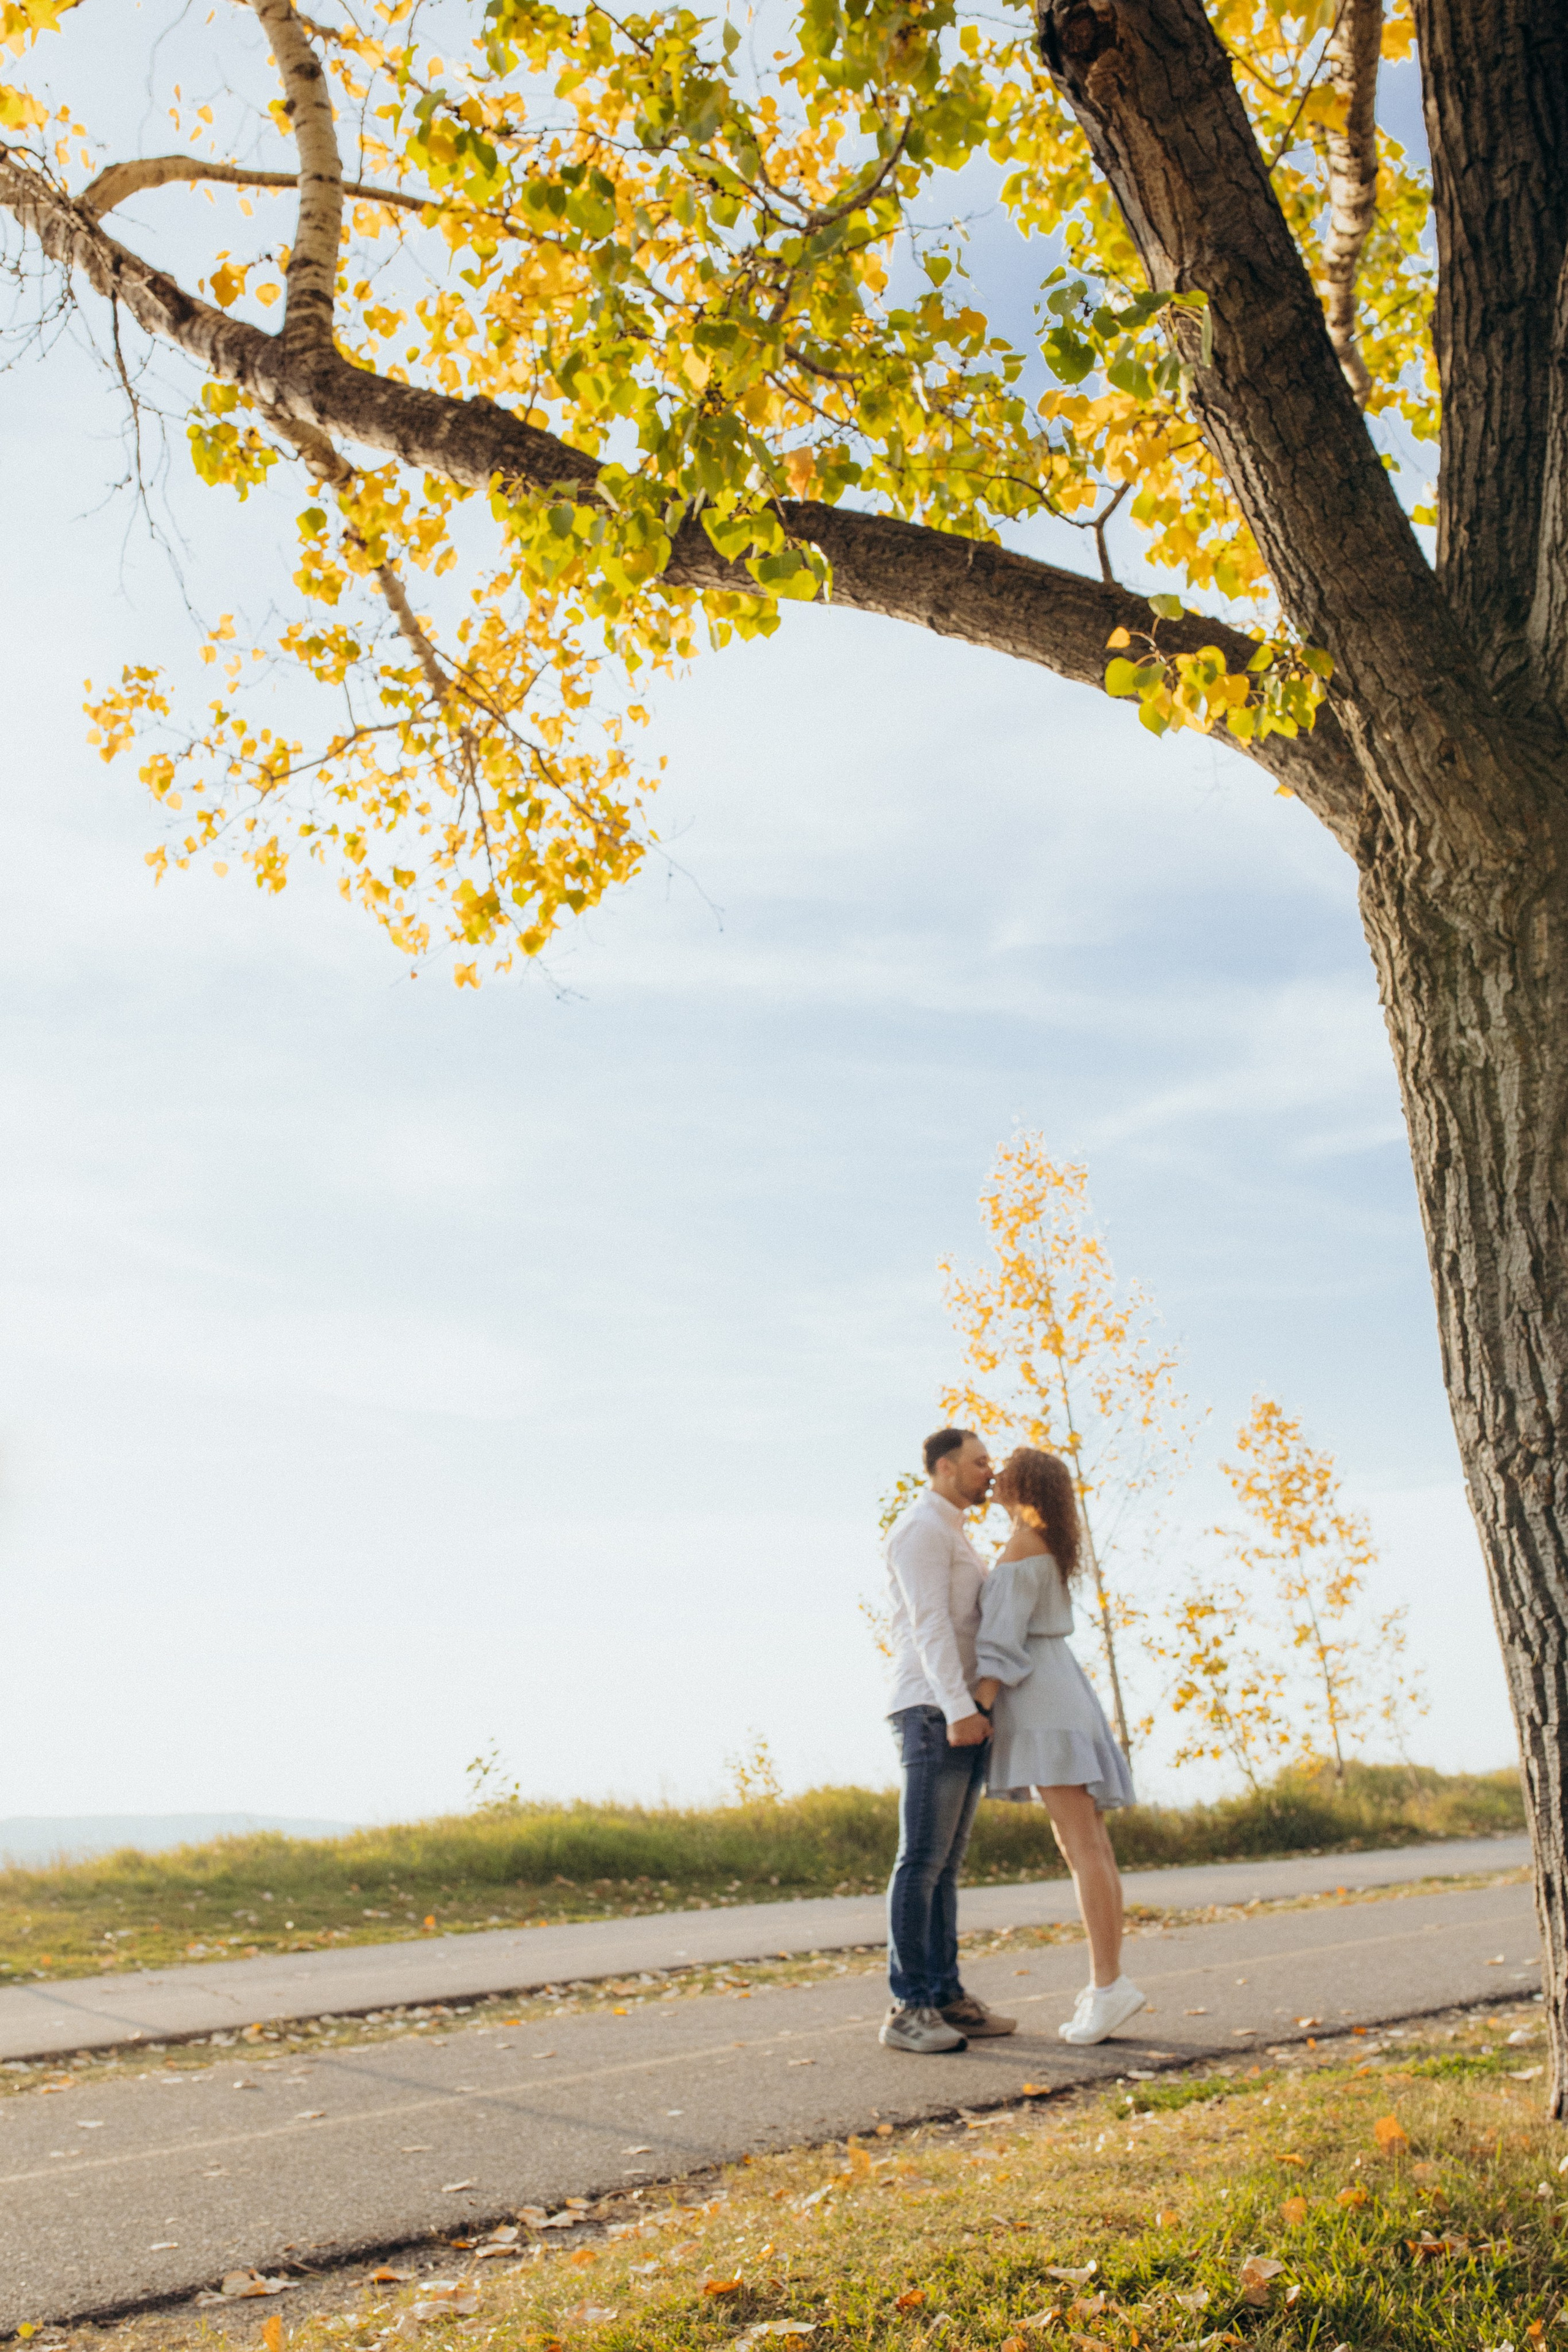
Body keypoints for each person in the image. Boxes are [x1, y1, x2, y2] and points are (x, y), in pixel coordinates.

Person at [973, 1446, 1145, 2047]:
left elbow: (997, 1644)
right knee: (1090, 1844)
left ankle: (1108, 1984)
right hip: (1065, 1690)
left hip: (1044, 1702)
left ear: (1020, 1486)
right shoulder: (1049, 1544)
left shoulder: (1021, 1547)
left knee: (1082, 1847)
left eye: (1003, 1474)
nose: (992, 1480)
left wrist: (977, 1710)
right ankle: (1107, 1983)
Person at [880, 1427, 1018, 2054]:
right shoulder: (920, 1531)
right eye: (979, 1462)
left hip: (961, 1712)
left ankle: (945, 1996)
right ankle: (908, 2008)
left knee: (946, 1866)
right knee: (921, 1861)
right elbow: (930, 1625)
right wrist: (959, 1709)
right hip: (933, 1711)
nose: (990, 1471)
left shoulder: (955, 1531)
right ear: (943, 1467)